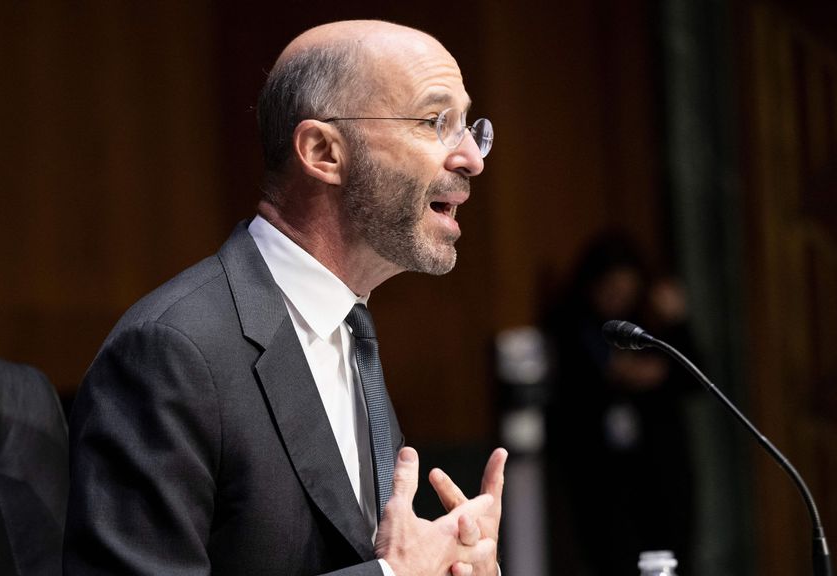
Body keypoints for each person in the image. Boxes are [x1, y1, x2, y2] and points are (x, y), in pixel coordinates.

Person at [64, 20, 508, 576]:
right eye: (435, 121)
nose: (472, 158)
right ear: (323, 151)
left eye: (470, 127)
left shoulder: (350, 328)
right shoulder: (171, 353)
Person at [543, 232, 698, 576]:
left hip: (660, 468)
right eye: (609, 292)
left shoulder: (652, 326)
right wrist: (611, 376)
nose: (617, 302)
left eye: (626, 292)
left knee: (672, 558)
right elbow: (564, 396)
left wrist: (676, 322)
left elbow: (694, 381)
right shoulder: (571, 325)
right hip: (600, 473)